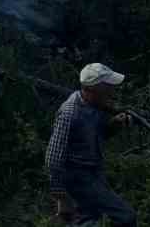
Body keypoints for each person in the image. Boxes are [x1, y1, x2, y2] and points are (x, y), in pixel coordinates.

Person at [45, 62, 136, 225]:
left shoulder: (95, 105)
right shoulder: (69, 113)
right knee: (125, 217)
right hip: (78, 178)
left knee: (88, 220)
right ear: (96, 89)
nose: (112, 91)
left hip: (93, 174)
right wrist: (61, 197)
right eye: (108, 86)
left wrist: (113, 126)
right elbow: (53, 158)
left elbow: (94, 136)